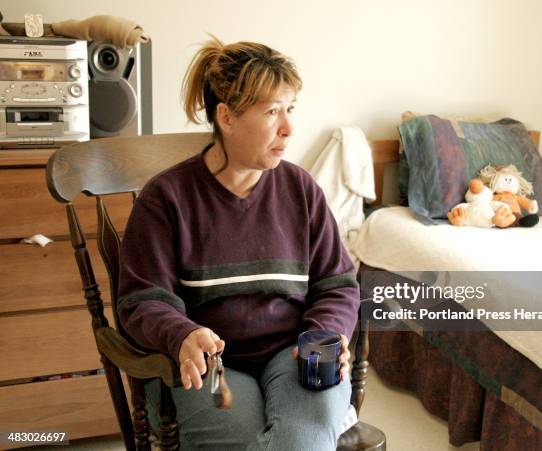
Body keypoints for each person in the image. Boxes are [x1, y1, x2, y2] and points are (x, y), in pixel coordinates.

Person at [117, 35, 360, 450]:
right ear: (227, 118)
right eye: (271, 112)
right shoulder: (167, 198)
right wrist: (182, 334)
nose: (289, 127)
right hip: (213, 364)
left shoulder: (300, 189)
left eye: (290, 109)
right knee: (240, 441)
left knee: (303, 438)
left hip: (295, 352)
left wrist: (327, 334)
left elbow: (336, 285)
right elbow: (142, 300)